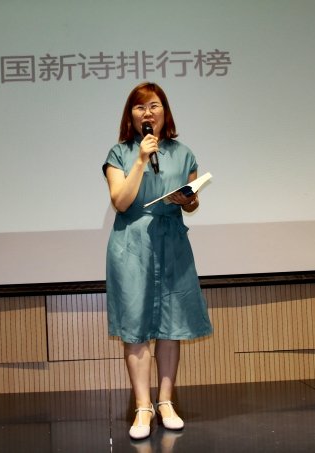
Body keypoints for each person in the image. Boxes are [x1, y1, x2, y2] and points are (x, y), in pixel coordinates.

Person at [102, 82, 213, 440]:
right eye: (140, 107)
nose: (147, 112)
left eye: (153, 105)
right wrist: (139, 160)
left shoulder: (184, 153)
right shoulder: (119, 153)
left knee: (171, 324)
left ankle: (165, 402)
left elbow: (192, 200)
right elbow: (121, 201)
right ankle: (143, 406)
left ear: (165, 111)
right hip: (132, 244)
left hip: (172, 242)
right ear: (131, 116)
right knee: (135, 326)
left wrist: (187, 200)